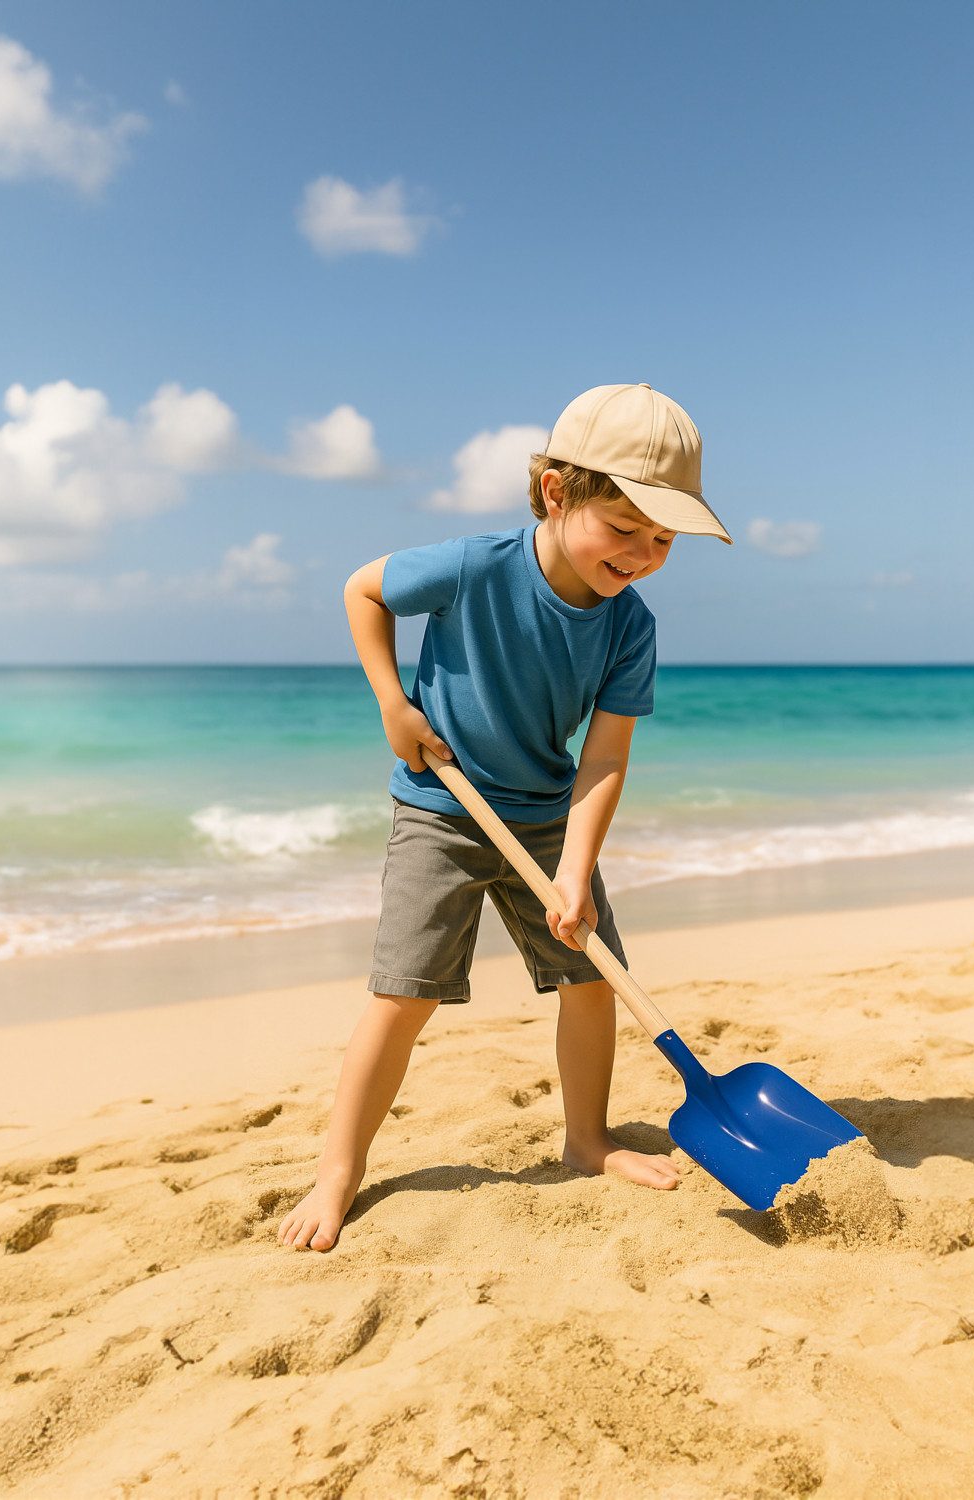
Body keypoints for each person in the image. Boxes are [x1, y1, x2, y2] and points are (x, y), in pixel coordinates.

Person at [278, 383, 734, 1251]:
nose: (640, 555)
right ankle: (338, 1169)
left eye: (664, 540)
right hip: (444, 808)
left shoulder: (629, 629)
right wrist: (393, 706)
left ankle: (586, 1141)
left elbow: (604, 756)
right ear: (559, 495)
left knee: (590, 978)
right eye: (625, 529)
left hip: (545, 818)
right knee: (402, 995)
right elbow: (362, 591)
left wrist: (574, 869)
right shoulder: (473, 567)